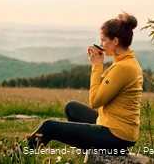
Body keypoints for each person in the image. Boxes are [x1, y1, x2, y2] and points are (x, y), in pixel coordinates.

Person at [26, 12, 144, 155]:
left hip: (116, 137)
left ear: (115, 41)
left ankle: (15, 158)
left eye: (103, 40)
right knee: (72, 107)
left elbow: (95, 101)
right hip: (112, 125)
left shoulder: (123, 67)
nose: (101, 45)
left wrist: (96, 66)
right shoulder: (126, 62)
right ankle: (88, 152)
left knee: (49, 127)